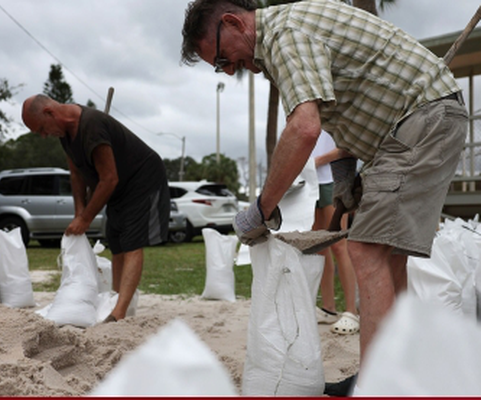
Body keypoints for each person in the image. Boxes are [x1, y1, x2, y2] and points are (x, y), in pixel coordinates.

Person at [181, 0, 467, 394]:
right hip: (418, 120)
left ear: (231, 23)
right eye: (221, 66)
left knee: (366, 252)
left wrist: (263, 209)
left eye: (222, 58)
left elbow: (304, 129)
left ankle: (379, 381)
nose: (229, 69)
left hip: (423, 117)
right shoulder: (286, 37)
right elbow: (349, 108)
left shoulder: (285, 34)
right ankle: (396, 371)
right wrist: (346, 174)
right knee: (388, 255)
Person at [22, 94, 170, 322]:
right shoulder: (65, 135)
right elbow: (76, 173)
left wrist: (86, 219)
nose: (44, 135)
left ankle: (119, 313)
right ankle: (115, 302)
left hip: (142, 178)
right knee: (117, 241)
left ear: (50, 112)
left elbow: (109, 179)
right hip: (119, 185)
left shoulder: (92, 126)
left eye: (42, 128)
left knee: (131, 241)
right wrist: (79, 212)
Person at [311, 130, 359, 335]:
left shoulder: (338, 105)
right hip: (311, 182)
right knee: (319, 246)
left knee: (340, 246)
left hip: (334, 178)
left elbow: (350, 146)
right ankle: (329, 308)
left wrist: (318, 161)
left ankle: (352, 311)